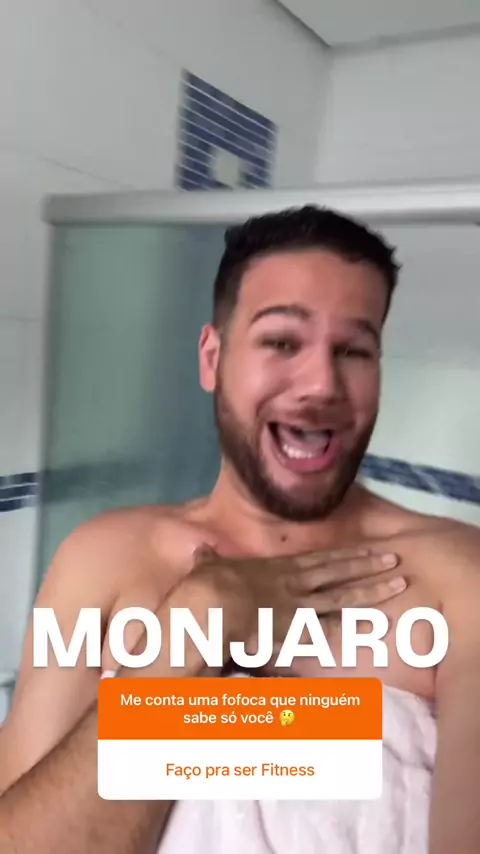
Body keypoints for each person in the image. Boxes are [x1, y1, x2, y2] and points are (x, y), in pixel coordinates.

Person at [0, 206, 479, 854]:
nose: (322, 384)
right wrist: (202, 617)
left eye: (353, 350)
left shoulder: (459, 578)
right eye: (282, 342)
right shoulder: (101, 561)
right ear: (213, 358)